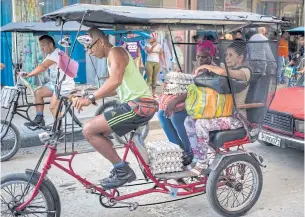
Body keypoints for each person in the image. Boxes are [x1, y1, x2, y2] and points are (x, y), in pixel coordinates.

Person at [73, 28, 155, 189]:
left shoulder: (116, 52)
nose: (89, 52)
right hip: (134, 104)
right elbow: (113, 87)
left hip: (139, 105)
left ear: (101, 42)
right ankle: (120, 169)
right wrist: (90, 95)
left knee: (88, 130)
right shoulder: (112, 55)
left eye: (90, 47)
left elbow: (115, 81)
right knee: (98, 131)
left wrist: (90, 99)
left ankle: (122, 170)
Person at [184, 42, 251, 176]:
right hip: (222, 113)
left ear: (240, 58)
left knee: (201, 124)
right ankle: (198, 156)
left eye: (231, 55)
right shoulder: (226, 68)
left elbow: (222, 71)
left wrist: (205, 65)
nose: (227, 58)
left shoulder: (245, 72)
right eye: (226, 55)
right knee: (189, 121)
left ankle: (202, 164)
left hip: (236, 118)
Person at [158, 40, 217, 167]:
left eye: (204, 57)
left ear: (211, 57)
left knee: (176, 116)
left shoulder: (211, 70)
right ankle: (178, 149)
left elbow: (197, 90)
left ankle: (190, 150)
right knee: (162, 114)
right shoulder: (198, 68)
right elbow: (190, 88)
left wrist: (176, 100)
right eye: (198, 56)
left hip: (206, 104)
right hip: (195, 100)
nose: (201, 59)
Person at [20, 35, 75, 126]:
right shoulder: (50, 55)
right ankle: (39, 119)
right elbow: (42, 65)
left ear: (50, 45)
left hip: (64, 85)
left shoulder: (56, 54)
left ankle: (58, 130)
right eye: (40, 46)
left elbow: (43, 66)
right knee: (38, 92)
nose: (41, 48)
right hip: (55, 84)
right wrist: (27, 73)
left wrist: (29, 75)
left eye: (43, 46)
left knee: (53, 107)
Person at [145, 32, 166, 99]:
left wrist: (164, 63)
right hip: (149, 62)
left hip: (157, 63)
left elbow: (161, 54)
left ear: (154, 38)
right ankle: (146, 93)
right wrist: (153, 46)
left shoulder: (159, 45)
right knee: (149, 78)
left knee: (154, 79)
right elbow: (149, 51)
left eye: (150, 37)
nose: (149, 39)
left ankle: (153, 93)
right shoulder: (147, 44)